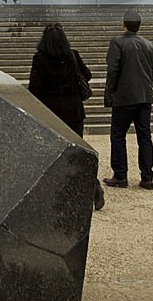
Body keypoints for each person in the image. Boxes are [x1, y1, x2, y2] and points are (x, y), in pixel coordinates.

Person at [28, 23, 105, 210]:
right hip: (73, 111)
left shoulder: (40, 59)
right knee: (77, 153)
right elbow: (88, 74)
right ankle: (93, 188)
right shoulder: (72, 54)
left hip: (51, 113)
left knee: (51, 154)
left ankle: (56, 193)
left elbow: (34, 89)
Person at [103, 9, 153, 190]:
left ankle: (120, 175)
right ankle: (147, 177)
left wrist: (112, 89)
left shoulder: (117, 42)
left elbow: (112, 70)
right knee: (144, 136)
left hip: (124, 97)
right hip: (144, 97)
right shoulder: (148, 44)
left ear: (124, 25)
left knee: (118, 135)